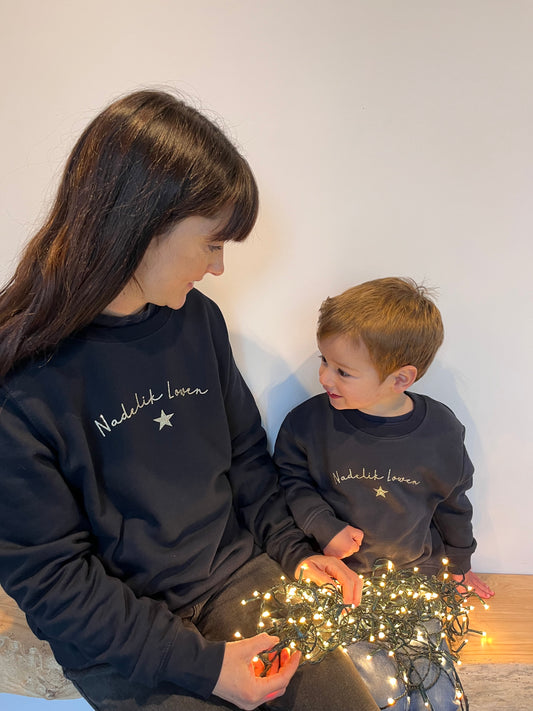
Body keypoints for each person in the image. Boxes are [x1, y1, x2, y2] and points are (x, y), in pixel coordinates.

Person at [0, 90, 379, 711]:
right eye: (212, 244)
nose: (219, 267)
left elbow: (246, 457)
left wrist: (294, 553)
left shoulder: (197, 320)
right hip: (121, 636)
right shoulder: (21, 378)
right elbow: (52, 580)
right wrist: (207, 668)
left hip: (236, 577)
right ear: (139, 228)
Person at [274, 277, 494, 709]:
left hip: (415, 580)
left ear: (400, 378)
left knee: (434, 686)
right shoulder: (308, 424)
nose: (324, 377)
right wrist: (323, 527)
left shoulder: (441, 432)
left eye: (343, 371)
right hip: (341, 582)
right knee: (377, 689)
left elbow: (454, 502)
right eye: (324, 360)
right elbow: (290, 481)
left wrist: (460, 563)